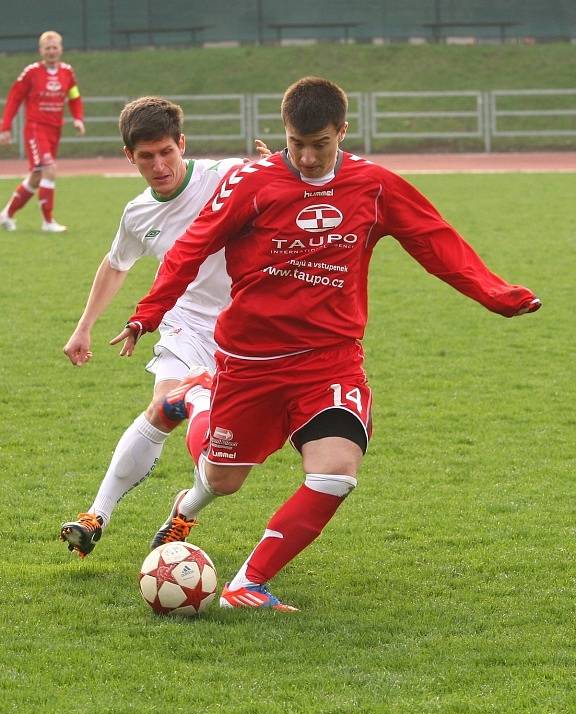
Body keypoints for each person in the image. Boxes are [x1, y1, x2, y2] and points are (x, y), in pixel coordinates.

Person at [112, 77, 541, 612]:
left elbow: (435, 240)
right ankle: (193, 419)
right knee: (223, 480)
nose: (309, 158)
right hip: (250, 362)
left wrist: (498, 295)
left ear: (343, 131)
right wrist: (147, 314)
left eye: (321, 144)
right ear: (284, 134)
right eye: (297, 144)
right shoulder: (252, 185)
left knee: (336, 471)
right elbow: (192, 248)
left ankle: (249, 582)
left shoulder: (373, 185)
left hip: (329, 360)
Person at [60, 95, 269, 558]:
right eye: (146, 156)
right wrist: (84, 327)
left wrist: (279, 169)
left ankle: (185, 510)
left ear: (182, 144)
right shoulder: (138, 214)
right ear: (129, 157)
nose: (159, 165)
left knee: (230, 457)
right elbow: (116, 265)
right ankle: (97, 515)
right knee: (164, 407)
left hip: (252, 330)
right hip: (186, 325)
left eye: (166, 152)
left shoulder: (225, 177)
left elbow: (294, 188)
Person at [0, 31, 85, 233]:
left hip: (55, 130)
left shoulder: (67, 72)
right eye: (47, 48)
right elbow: (14, 98)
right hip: (36, 129)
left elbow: (74, 97)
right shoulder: (31, 72)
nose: (51, 51)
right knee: (49, 169)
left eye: (55, 47)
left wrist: (78, 118)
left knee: (36, 177)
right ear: (41, 51)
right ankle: (48, 222)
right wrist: (5, 127)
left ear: (61, 49)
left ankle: (6, 215)